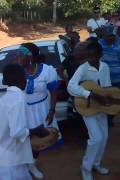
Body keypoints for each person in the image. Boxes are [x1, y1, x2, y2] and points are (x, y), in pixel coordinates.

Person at [17, 43, 62, 179]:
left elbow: (54, 91)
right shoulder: (18, 72)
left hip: (42, 110)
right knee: (26, 140)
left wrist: (52, 110)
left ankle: (31, 165)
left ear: (29, 56)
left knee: (38, 140)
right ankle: (28, 164)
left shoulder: (47, 71)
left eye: (20, 54)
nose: (17, 57)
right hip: (24, 111)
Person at [67, 42, 111, 180]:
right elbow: (71, 86)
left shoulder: (105, 67)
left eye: (93, 56)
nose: (90, 59)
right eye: (88, 56)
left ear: (100, 55)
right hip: (87, 108)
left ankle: (96, 163)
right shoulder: (82, 68)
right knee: (96, 138)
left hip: (102, 108)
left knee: (103, 138)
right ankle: (86, 168)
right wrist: (89, 94)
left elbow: (107, 87)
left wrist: (109, 100)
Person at [0, 64, 34, 180]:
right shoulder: (18, 100)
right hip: (9, 158)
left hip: (4, 153)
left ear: (4, 81)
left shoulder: (1, 101)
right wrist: (34, 131)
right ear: (23, 80)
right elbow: (17, 132)